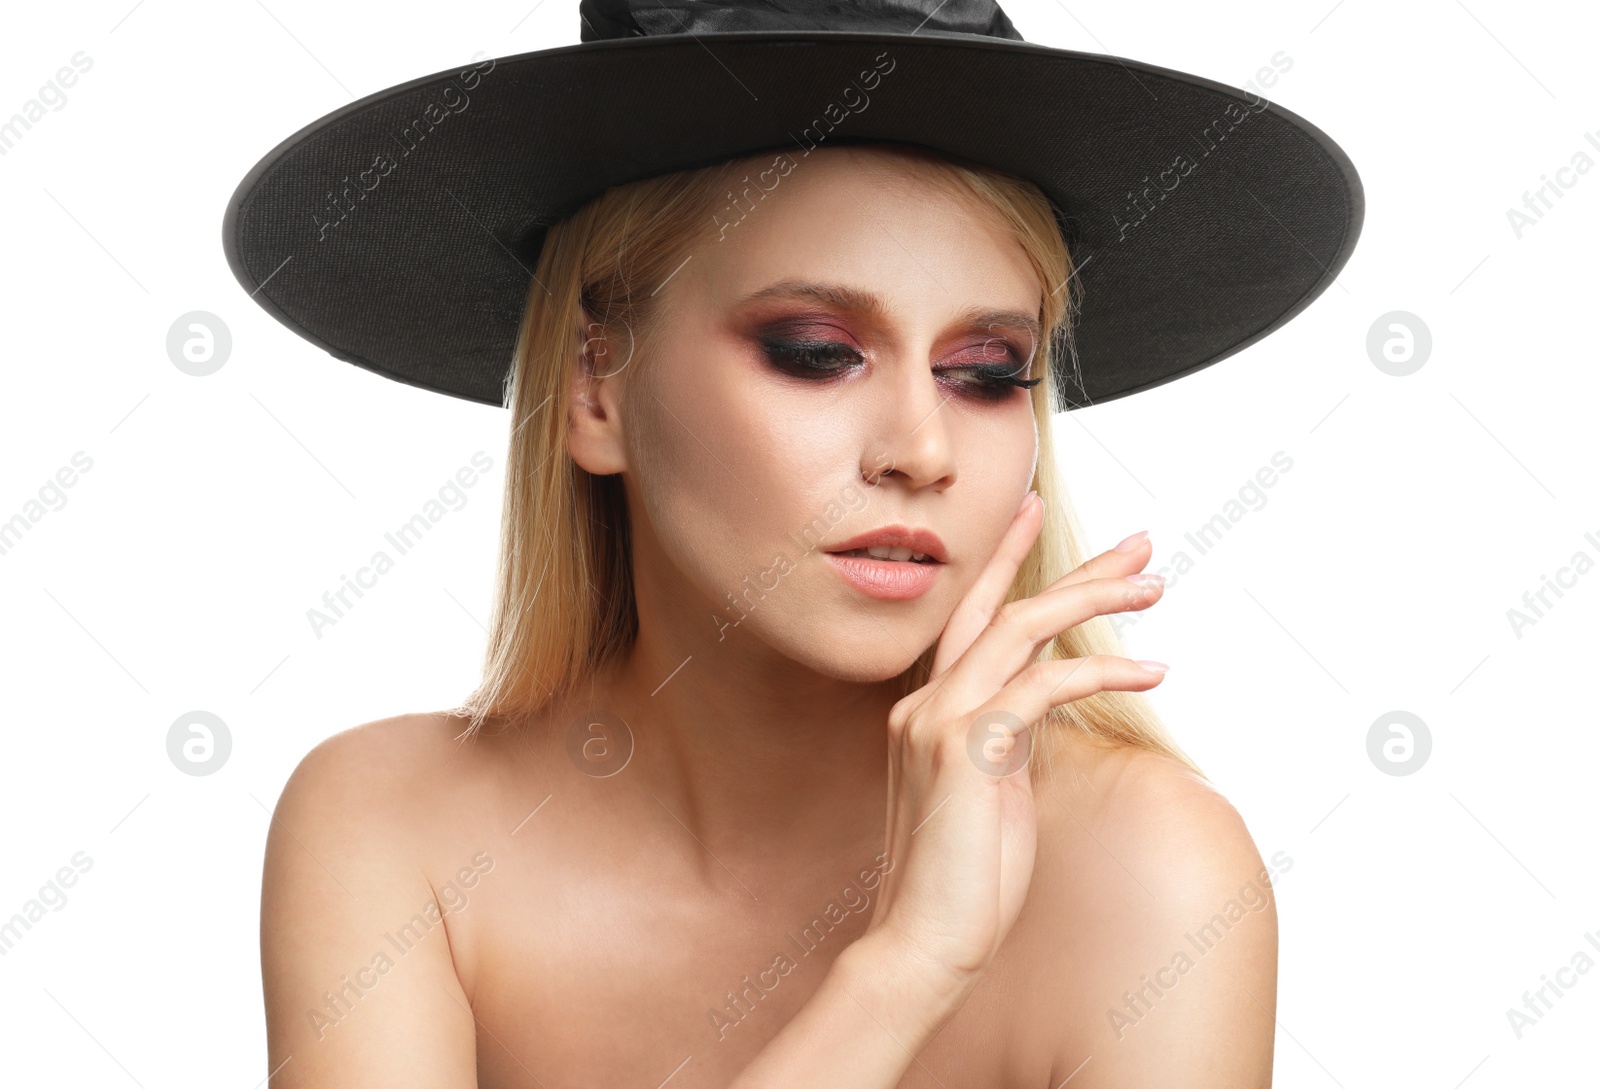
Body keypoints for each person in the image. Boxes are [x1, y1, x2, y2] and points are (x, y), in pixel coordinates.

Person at [235, 3, 1360, 1086]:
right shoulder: (393, 831)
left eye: (985, 373)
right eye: (817, 351)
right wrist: (904, 971)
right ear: (595, 386)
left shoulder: (1145, 878)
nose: (921, 448)